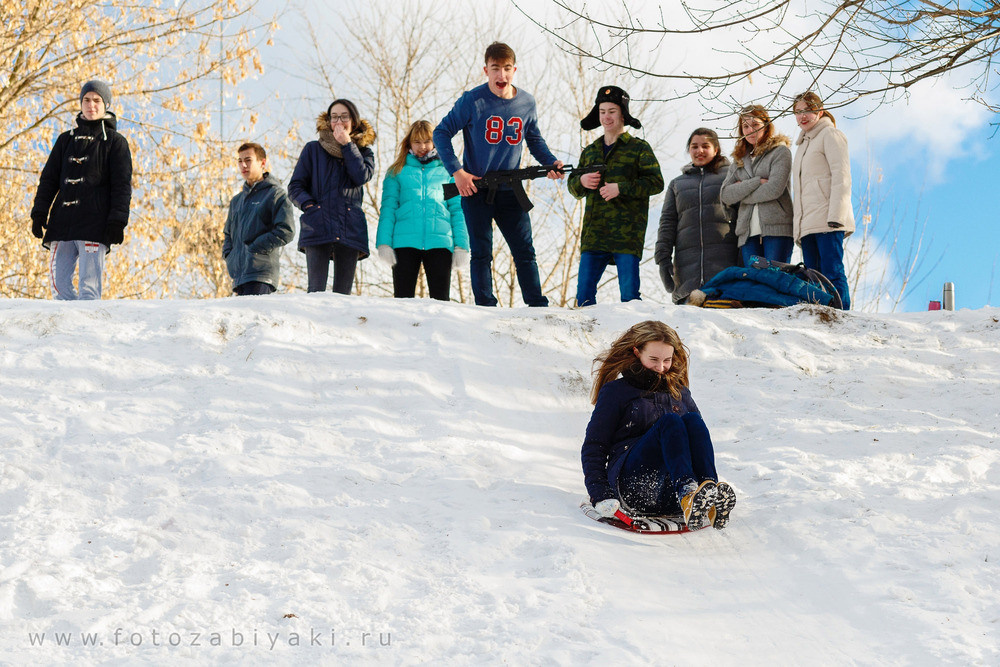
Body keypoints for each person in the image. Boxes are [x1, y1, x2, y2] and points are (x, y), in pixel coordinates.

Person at [433, 42, 563, 307]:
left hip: (511, 188)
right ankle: (485, 307)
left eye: (506, 69)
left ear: (514, 70)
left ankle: (537, 305)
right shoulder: (472, 100)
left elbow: (534, 139)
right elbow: (441, 133)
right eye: (495, 69)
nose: (501, 75)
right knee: (481, 253)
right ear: (486, 70)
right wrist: (457, 172)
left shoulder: (526, 102)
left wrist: (550, 163)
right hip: (475, 188)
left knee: (525, 251)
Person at [581, 320, 736, 529]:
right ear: (636, 352)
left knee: (694, 422)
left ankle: (707, 495)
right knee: (670, 422)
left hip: (670, 493)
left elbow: (696, 442)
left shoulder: (679, 392)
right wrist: (600, 493)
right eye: (653, 359)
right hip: (636, 487)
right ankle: (688, 493)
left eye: (667, 360)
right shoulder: (616, 391)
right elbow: (594, 445)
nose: (661, 367)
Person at [30, 80, 133, 300]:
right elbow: (48, 180)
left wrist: (117, 221)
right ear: (81, 102)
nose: (91, 105)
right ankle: (65, 332)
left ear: (105, 104)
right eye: (86, 100)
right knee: (59, 285)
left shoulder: (115, 143)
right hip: (62, 224)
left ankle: (87, 333)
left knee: (89, 288)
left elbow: (122, 186)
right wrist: (39, 213)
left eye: (97, 100)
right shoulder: (65, 140)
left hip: (95, 224)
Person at [567, 86, 663, 306]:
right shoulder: (590, 151)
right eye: (602, 112)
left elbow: (656, 183)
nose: (606, 117)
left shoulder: (639, 148)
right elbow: (573, 187)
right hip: (594, 234)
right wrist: (581, 182)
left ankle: (635, 339)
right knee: (583, 299)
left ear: (622, 114)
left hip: (626, 235)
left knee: (630, 297)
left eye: (612, 111)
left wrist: (622, 188)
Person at [289, 99, 376, 294]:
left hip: (350, 227)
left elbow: (361, 176)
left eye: (344, 117)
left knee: (343, 295)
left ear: (353, 121)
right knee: (315, 291)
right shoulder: (313, 149)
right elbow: (295, 186)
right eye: (334, 117)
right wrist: (310, 206)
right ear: (328, 121)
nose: (338, 121)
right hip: (317, 224)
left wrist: (347, 145)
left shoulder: (364, 152)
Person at [376, 121, 470, 301]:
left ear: (435, 142)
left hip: (441, 242)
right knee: (403, 301)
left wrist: (462, 245)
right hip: (404, 242)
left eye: (427, 141)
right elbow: (388, 208)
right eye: (417, 142)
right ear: (409, 143)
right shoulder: (396, 172)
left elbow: (458, 210)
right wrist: (384, 243)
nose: (422, 147)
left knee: (441, 301)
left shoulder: (448, 173)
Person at [656, 128, 738, 304]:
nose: (699, 151)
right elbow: (667, 223)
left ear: (716, 150)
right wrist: (662, 258)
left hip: (725, 272)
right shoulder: (677, 184)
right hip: (687, 277)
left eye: (705, 146)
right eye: (694, 146)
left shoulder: (731, 176)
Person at [791, 91, 854, 310]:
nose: (803, 116)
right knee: (812, 276)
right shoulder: (801, 146)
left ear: (819, 110)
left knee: (832, 272)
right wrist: (797, 228)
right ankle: (820, 318)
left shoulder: (830, 135)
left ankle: (842, 316)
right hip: (807, 224)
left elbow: (842, 176)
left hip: (828, 218)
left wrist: (837, 215)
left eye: (807, 110)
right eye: (798, 112)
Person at [720, 105, 794, 267]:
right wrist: (756, 182)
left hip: (777, 230)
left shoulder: (780, 152)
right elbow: (726, 195)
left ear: (766, 125)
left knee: (776, 283)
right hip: (747, 234)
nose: (750, 130)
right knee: (756, 288)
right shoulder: (739, 159)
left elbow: (774, 189)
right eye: (745, 126)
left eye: (755, 124)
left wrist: (742, 193)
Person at [222, 143, 295, 296]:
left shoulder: (275, 194)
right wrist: (229, 257)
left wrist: (255, 248)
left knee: (253, 320)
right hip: (238, 277)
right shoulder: (236, 201)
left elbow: (286, 231)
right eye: (240, 161)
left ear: (262, 163)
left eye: (248, 160)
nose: (243, 165)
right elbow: (228, 234)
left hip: (261, 275)